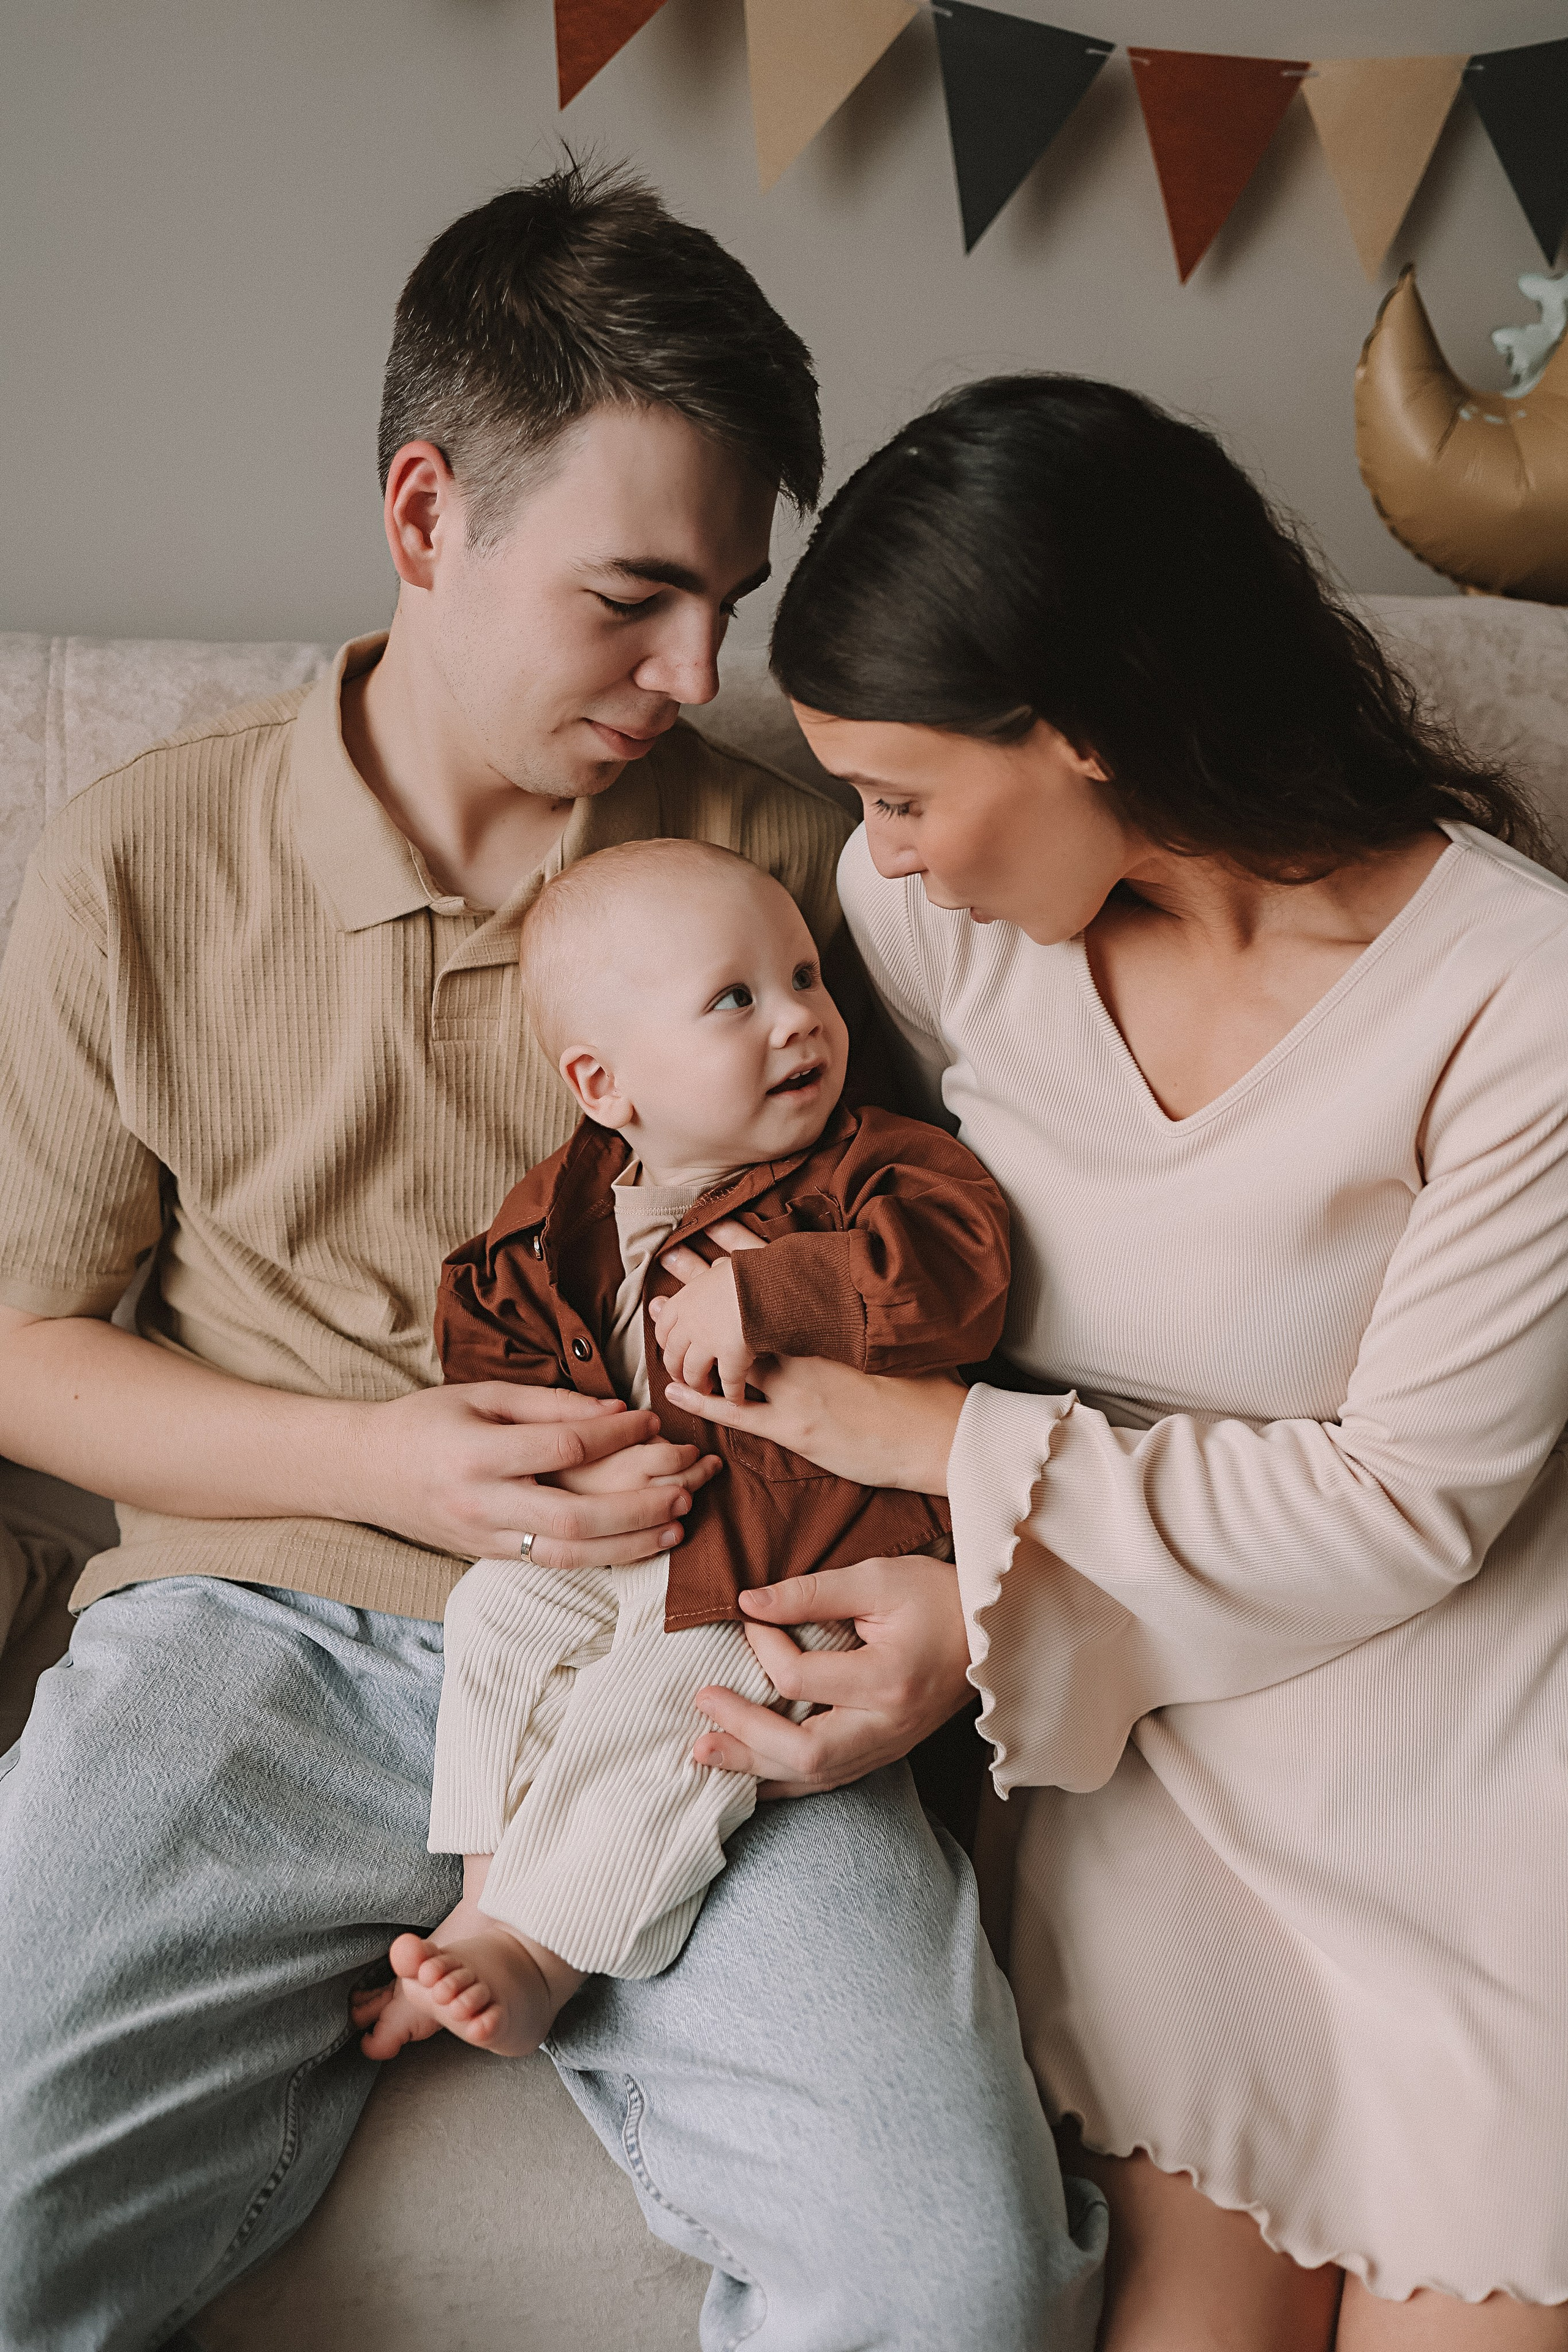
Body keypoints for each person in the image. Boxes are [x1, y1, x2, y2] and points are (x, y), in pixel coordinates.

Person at [0, 184, 1106, 2348]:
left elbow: (969, 1282)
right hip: (260, 1635)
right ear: (427, 514)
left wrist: (958, 1621)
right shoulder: (139, 853)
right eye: (636, 598)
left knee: (958, 2275)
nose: (701, 677)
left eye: (730, 603)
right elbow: (19, 1343)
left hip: (710, 1642)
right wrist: (382, 1463)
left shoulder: (805, 867)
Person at [665, 375, 1568, 2351]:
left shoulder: (1517, 1000)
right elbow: (838, 1248)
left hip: (1472, 1746)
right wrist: (956, 1595)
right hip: (1150, 1739)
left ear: (1084, 728)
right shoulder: (932, 937)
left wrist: (936, 1454)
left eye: (900, 792)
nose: (874, 859)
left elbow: (1412, 1503)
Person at [356, 837, 1011, 2060]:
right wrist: (563, 1457)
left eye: (807, 979)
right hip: (638, 1536)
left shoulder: (868, 1168)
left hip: (786, 1558)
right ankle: (488, 1888)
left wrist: (774, 1295)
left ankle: (546, 1955)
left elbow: (962, 1269)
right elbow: (492, 1331)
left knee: (659, 1700)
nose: (798, 1022)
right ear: (604, 1086)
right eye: (735, 999)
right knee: (496, 1615)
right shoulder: (566, 1208)